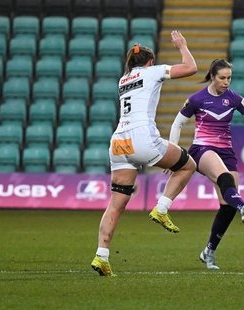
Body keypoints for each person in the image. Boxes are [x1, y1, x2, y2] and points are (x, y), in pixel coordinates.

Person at [91, 30, 198, 276]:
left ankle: (101, 256)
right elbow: (191, 68)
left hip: (119, 142)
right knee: (187, 165)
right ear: (150, 62)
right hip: (142, 138)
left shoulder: (123, 79)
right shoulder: (153, 71)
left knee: (116, 204)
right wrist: (182, 46)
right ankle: (162, 207)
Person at [169, 59, 244, 270]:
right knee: (226, 179)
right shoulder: (197, 99)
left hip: (226, 151)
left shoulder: (234, 98)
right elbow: (178, 123)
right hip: (202, 149)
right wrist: (174, 153)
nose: (226, 82)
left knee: (227, 204)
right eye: (222, 78)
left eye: (229, 78)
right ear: (212, 77)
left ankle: (208, 251)